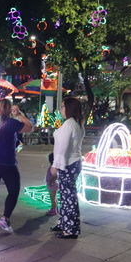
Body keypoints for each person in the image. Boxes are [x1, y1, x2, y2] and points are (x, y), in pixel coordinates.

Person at [0, 99, 33, 233]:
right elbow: (29, 127)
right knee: (13, 191)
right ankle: (5, 218)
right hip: (8, 163)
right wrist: (18, 114)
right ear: (8, 109)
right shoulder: (12, 123)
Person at [50, 97, 85, 239]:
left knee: (68, 197)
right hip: (73, 162)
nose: (61, 109)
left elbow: (62, 148)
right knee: (66, 196)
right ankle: (65, 223)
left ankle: (70, 229)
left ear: (70, 108)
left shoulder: (70, 124)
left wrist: (55, 166)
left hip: (67, 164)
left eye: (63, 107)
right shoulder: (76, 123)